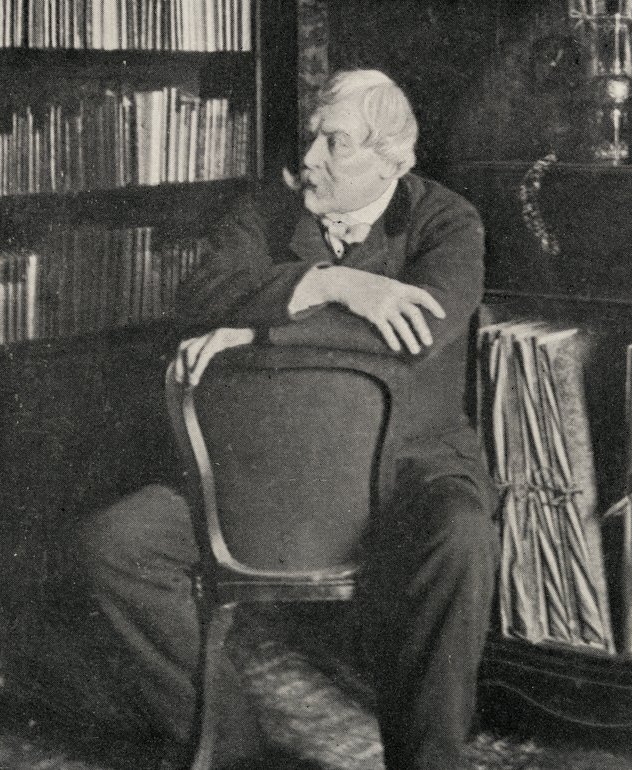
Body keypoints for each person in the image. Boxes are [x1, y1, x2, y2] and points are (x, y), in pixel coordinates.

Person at [80, 68, 498, 770]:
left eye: (335, 143)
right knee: (116, 546)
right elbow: (200, 296)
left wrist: (255, 333)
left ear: (392, 160)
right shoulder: (267, 211)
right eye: (311, 136)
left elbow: (414, 333)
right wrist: (334, 283)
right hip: (260, 469)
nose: (308, 158)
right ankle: (237, 749)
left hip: (408, 466)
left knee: (461, 537)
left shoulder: (447, 222)